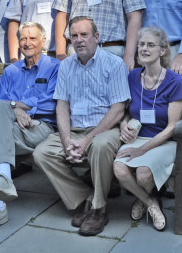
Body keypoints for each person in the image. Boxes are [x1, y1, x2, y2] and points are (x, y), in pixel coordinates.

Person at [34, 16, 130, 236]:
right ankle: (84, 197)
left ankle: (99, 209)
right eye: (74, 36)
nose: (79, 40)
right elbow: (62, 107)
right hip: (75, 130)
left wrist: (86, 141)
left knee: (100, 147)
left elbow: (118, 110)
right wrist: (67, 141)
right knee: (42, 153)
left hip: (105, 130)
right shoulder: (66, 65)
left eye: (84, 35)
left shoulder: (114, 64)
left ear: (96, 37)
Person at [0, 22, 60, 234]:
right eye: (23, 39)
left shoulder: (56, 67)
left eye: (32, 38)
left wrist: (14, 106)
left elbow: (51, 103)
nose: (27, 43)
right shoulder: (11, 71)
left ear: (43, 42)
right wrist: (13, 109)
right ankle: (2, 187)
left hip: (42, 127)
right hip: (12, 126)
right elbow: (1, 105)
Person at [114, 26, 182, 231]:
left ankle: (142, 198)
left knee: (143, 174)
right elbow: (128, 111)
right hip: (137, 137)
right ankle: (150, 202)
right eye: (141, 44)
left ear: (162, 51)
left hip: (164, 140)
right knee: (119, 168)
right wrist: (123, 123)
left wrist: (142, 150)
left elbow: (172, 127)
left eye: (150, 45)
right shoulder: (133, 76)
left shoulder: (174, 81)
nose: (144, 49)